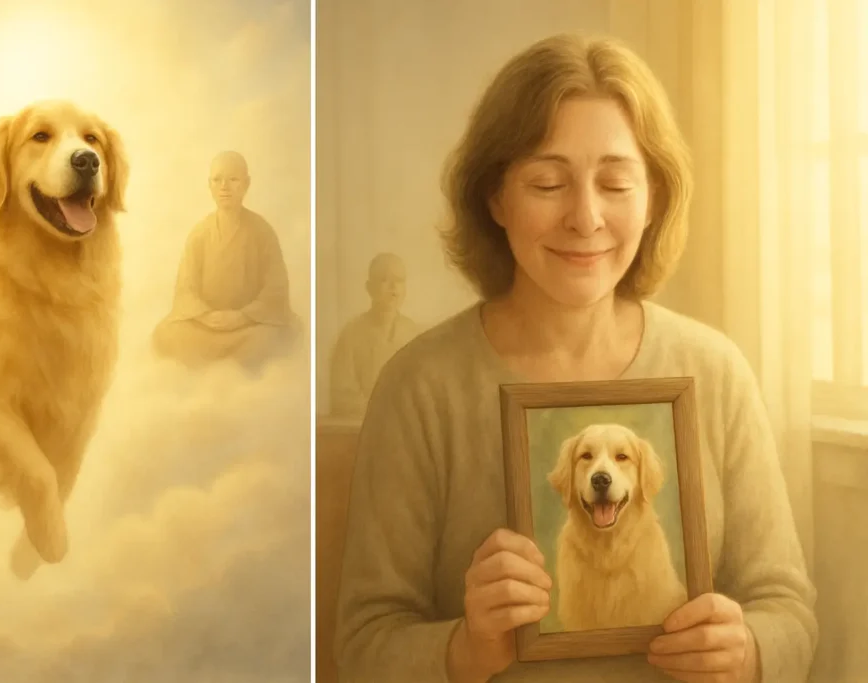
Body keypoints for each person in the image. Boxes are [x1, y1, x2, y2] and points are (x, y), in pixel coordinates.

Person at [334, 33, 816, 683]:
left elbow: (788, 610)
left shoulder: (717, 371)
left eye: (616, 182)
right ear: (495, 198)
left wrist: (751, 648)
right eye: (548, 182)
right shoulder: (420, 387)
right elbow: (363, 646)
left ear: (654, 200)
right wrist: (465, 648)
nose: (585, 217)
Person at [152, 151, 301, 372]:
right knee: (165, 335)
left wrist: (242, 317)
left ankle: (234, 364)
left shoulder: (262, 231)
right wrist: (205, 316)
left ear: (246, 184)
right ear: (209, 185)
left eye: (233, 179)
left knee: (275, 336)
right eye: (217, 180)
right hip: (206, 327)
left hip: (249, 327)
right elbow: (185, 288)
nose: (224, 187)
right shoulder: (200, 233)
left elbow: (275, 289)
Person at [329, 252, 421, 418]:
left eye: (399, 281)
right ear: (369, 287)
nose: (393, 288)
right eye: (385, 280)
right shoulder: (351, 335)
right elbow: (340, 398)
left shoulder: (414, 335)